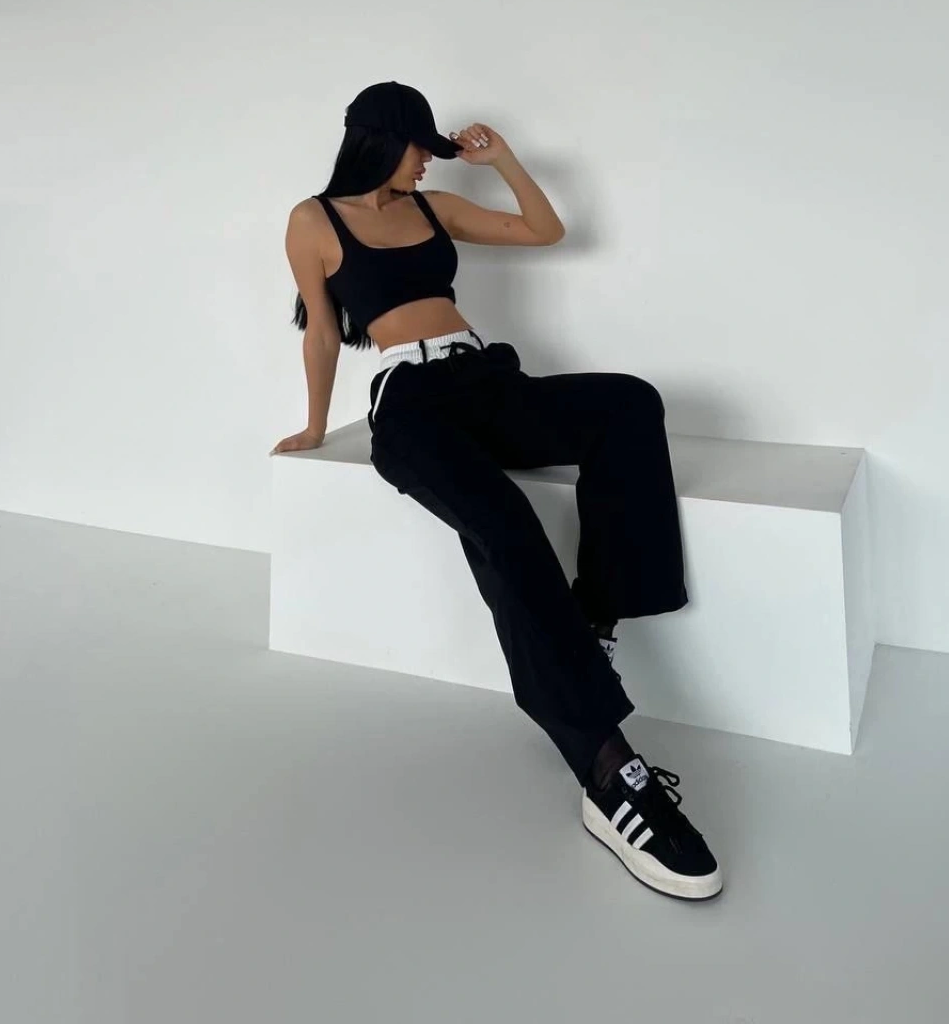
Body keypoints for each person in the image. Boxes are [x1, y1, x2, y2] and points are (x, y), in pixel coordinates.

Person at [271, 80, 722, 900]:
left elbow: (546, 231)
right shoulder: (314, 220)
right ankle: (608, 772)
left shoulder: (434, 207)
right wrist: (313, 425)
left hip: (485, 378)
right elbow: (324, 331)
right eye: (421, 147)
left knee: (628, 403)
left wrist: (505, 159)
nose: (427, 161)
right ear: (382, 139)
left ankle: (595, 617)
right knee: (507, 527)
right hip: (410, 405)